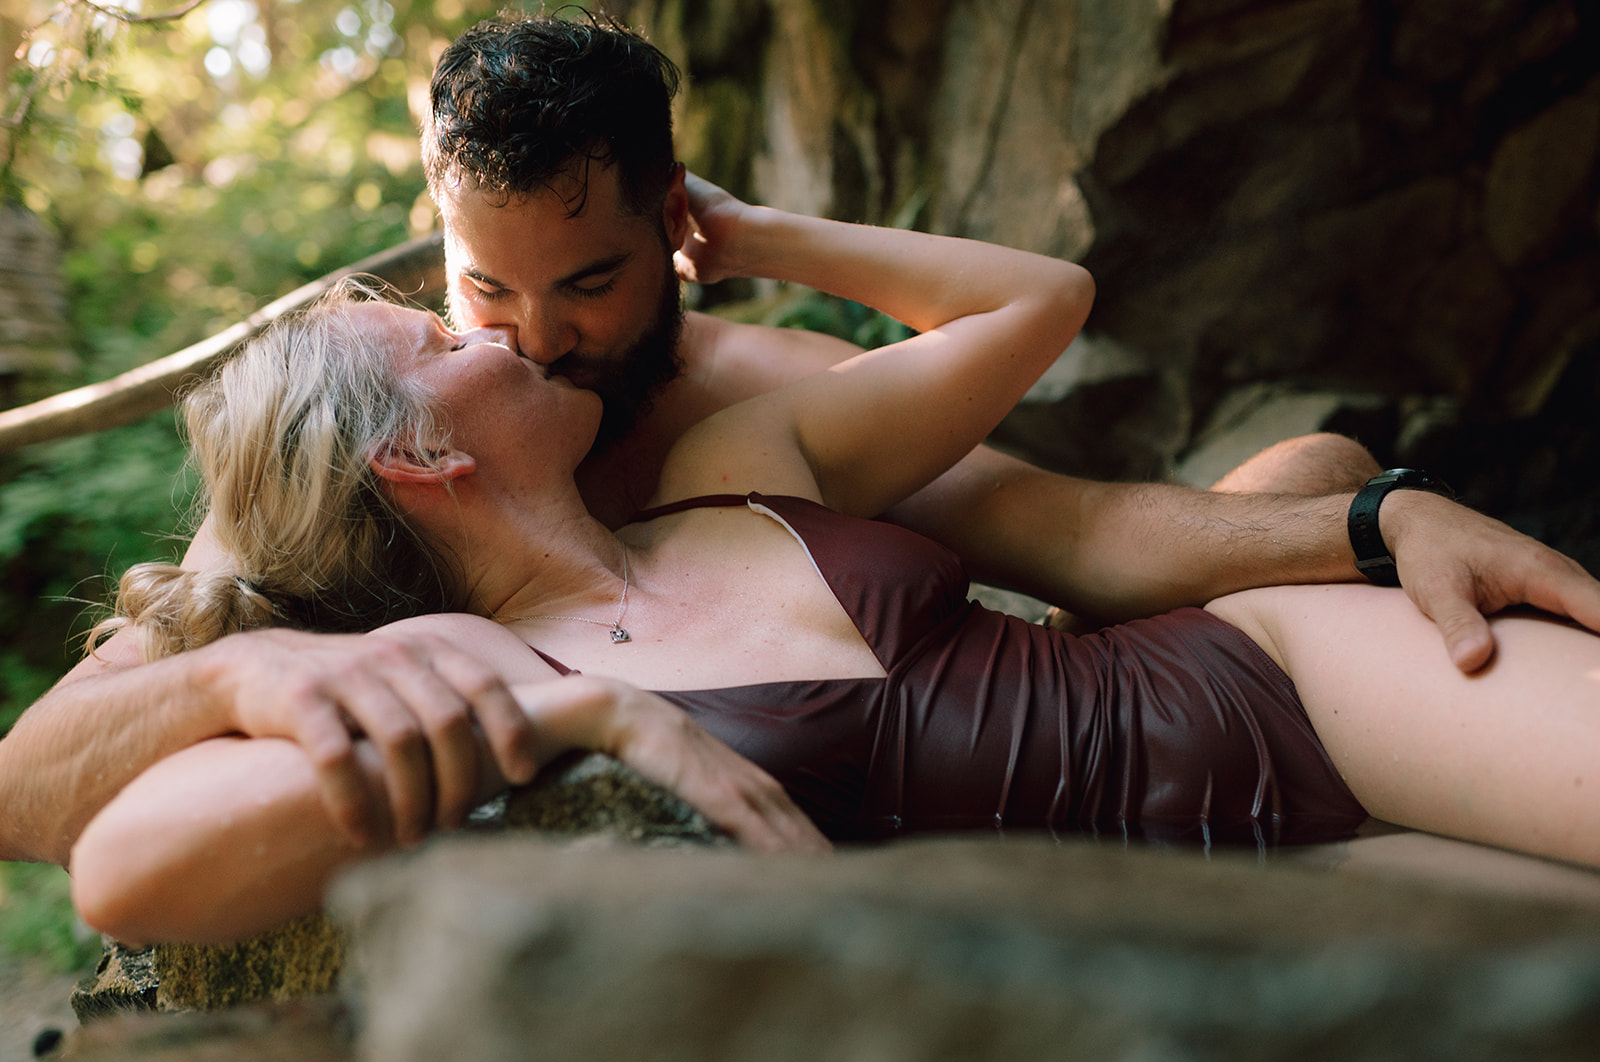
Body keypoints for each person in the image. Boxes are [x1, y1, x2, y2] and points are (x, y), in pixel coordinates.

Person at [3, 12, 1598, 871]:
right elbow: (44, 813)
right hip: (1116, 847)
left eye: (593, 283)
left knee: (1311, 469)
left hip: (1201, 697)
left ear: (672, 233)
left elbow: (1085, 534)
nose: (529, 335)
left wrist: (1379, 518)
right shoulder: (327, 510)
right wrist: (242, 678)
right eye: (473, 297)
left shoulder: (727, 410)